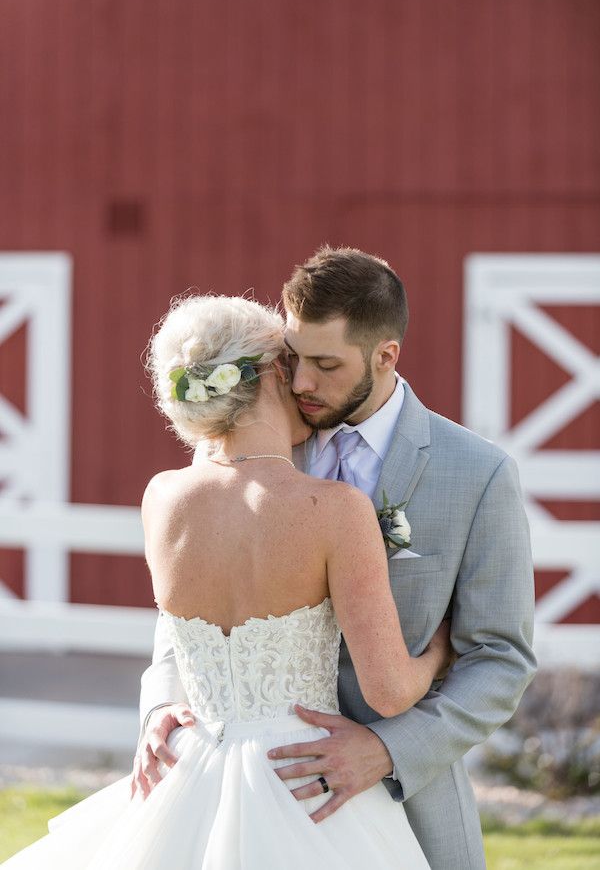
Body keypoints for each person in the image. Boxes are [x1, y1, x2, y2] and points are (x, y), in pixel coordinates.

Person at [2, 290, 453, 869]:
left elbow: (179, 631)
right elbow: (388, 690)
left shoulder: (162, 498)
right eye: (292, 365)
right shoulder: (335, 509)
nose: (304, 385)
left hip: (188, 772)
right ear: (269, 373)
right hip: (303, 782)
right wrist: (440, 649)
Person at [137, 248, 537, 870]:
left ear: (385, 356)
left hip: (409, 803)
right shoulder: (246, 444)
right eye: (293, 360)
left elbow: (502, 659)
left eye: (325, 365)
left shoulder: (478, 475)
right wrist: (162, 704)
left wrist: (387, 748)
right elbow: (186, 616)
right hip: (243, 796)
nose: (301, 384)